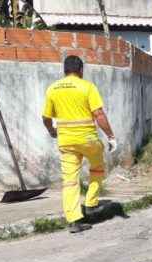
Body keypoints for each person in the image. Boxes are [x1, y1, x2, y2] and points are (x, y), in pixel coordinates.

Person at [42, 55, 117, 233]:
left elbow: (46, 118)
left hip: (66, 142)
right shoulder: (87, 87)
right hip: (88, 140)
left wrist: (52, 131)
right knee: (97, 167)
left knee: (70, 181)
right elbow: (98, 114)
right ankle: (91, 203)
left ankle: (74, 220)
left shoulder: (53, 88)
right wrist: (111, 136)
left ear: (64, 70)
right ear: (81, 70)